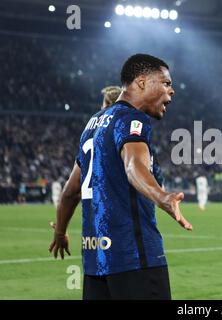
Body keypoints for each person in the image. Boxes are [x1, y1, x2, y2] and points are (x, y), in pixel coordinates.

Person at [49, 53, 192, 300]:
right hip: (134, 258)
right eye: (166, 83)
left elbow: (71, 190)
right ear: (142, 82)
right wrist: (163, 197)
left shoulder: (92, 123)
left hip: (96, 262)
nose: (172, 91)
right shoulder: (132, 118)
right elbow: (133, 166)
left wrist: (60, 232)